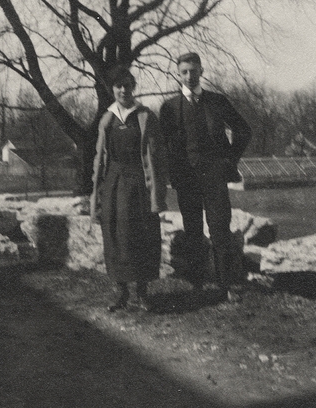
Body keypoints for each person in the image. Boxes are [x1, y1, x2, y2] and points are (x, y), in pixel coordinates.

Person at [159, 52, 251, 300]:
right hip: (186, 179)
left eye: (193, 70)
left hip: (214, 176)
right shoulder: (169, 108)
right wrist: (172, 173)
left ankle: (226, 285)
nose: (189, 76)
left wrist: (228, 160)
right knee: (193, 230)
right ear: (178, 74)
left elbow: (243, 130)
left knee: (220, 229)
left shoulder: (217, 102)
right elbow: (164, 145)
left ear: (202, 71)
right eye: (184, 72)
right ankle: (197, 285)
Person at [91, 67, 168, 312]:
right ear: (112, 89)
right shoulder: (107, 118)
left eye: (128, 85)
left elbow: (156, 156)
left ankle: (142, 293)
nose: (123, 90)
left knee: (140, 236)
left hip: (138, 184)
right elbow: (99, 159)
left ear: (134, 87)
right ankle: (121, 293)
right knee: (114, 236)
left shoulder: (145, 116)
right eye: (118, 86)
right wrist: (98, 191)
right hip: (113, 182)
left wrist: (156, 191)